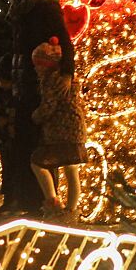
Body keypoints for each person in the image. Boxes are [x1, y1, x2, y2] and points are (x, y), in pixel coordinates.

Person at [0, 0, 73, 215]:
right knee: (22, 140)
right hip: (21, 80)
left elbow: (64, 41)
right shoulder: (18, 6)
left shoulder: (44, 7)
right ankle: (24, 198)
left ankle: (42, 201)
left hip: (40, 82)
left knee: (38, 143)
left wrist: (65, 75)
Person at [29, 37, 87, 219]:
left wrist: (35, 116)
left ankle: (53, 202)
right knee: (71, 170)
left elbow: (49, 106)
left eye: (38, 65)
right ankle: (70, 211)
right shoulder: (70, 79)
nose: (36, 68)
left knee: (37, 162)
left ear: (46, 65)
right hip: (76, 129)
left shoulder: (50, 80)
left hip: (60, 131)